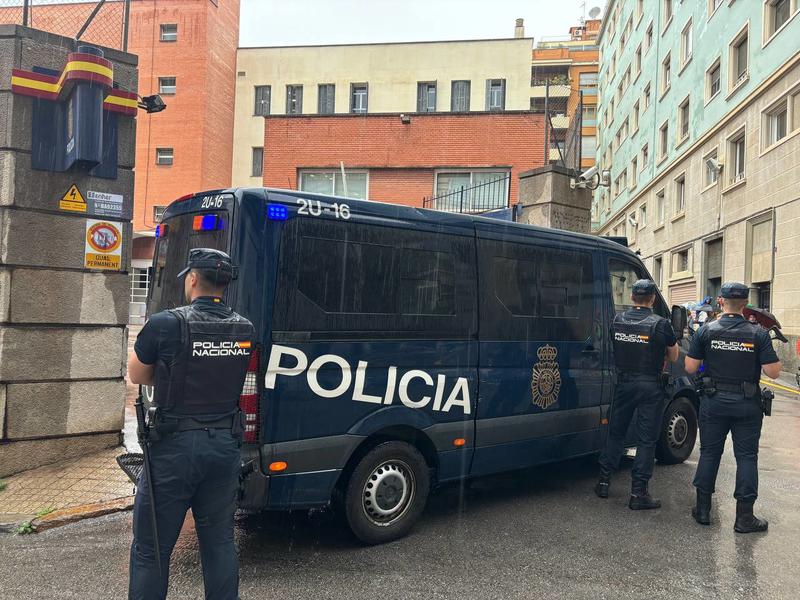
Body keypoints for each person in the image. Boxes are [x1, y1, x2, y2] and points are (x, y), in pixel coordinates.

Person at [127, 248, 255, 599]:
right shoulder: (245, 328)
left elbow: (137, 373)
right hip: (224, 447)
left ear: (193, 278)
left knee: (151, 549)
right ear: (225, 285)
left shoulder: (166, 323)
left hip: (174, 448)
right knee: (219, 543)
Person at [685, 282, 781, 533]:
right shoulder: (758, 333)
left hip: (713, 402)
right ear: (745, 304)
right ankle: (744, 518)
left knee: (709, 454)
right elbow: (774, 372)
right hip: (747, 404)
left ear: (721, 301)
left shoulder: (706, 330)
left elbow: (690, 368)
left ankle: (703, 510)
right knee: (747, 457)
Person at [595, 279, 679, 509]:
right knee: (646, 439)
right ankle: (638, 494)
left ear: (632, 298)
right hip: (650, 385)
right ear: (652, 299)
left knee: (616, 432)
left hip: (624, 383)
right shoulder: (660, 324)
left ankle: (603, 482)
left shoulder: (617, 320)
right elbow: (673, 357)